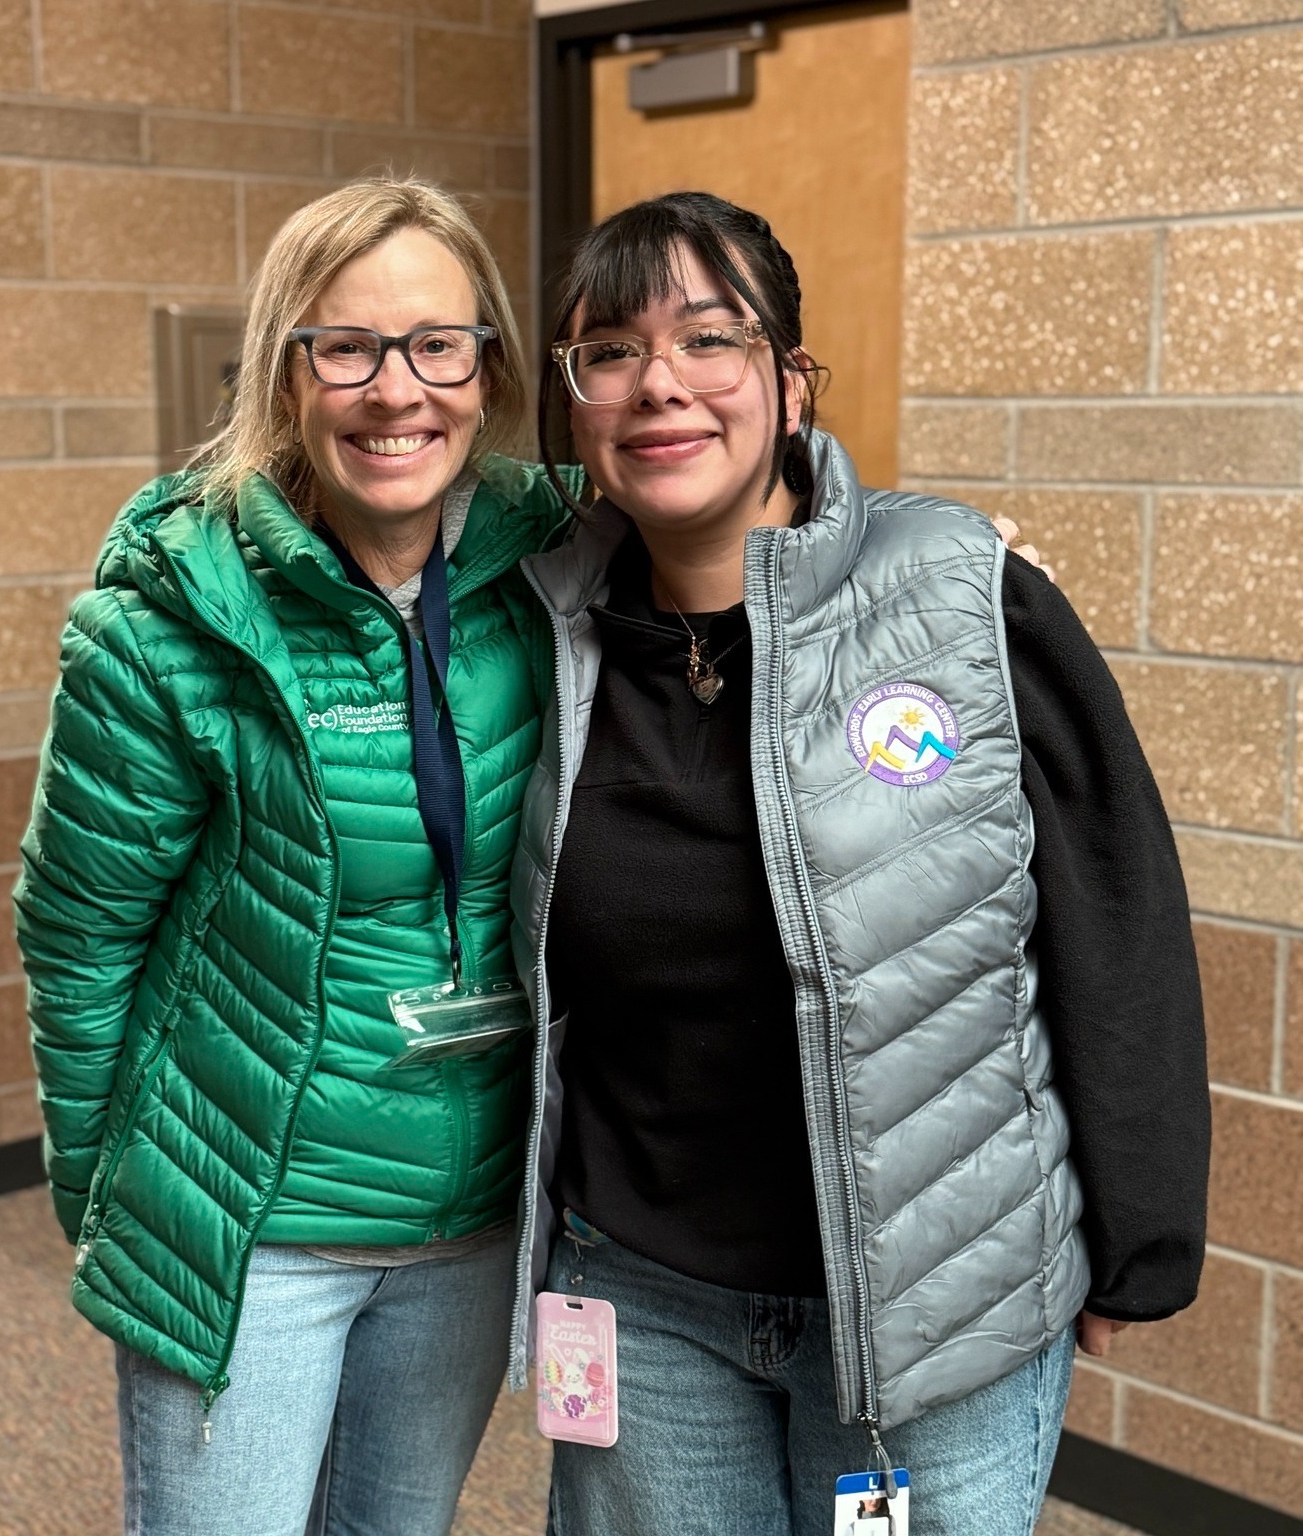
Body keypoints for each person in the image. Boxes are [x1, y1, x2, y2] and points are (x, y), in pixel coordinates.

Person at [508, 191, 1209, 1535]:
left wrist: (1139, 1236)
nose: (660, 383)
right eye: (611, 351)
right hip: (638, 1297)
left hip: (933, 1298)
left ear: (791, 381)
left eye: (710, 338)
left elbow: (1113, 914)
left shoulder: (963, 597)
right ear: (575, 401)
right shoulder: (539, 625)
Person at [13, 178, 575, 1536]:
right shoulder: (171, 623)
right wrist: (120, 1197)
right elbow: (79, 940)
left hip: (469, 1217)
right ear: (284, 370)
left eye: (437, 345)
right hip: (250, 1218)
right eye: (348, 348)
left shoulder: (559, 563)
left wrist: (947, 561)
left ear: (490, 368)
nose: (397, 390)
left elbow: (741, 519)